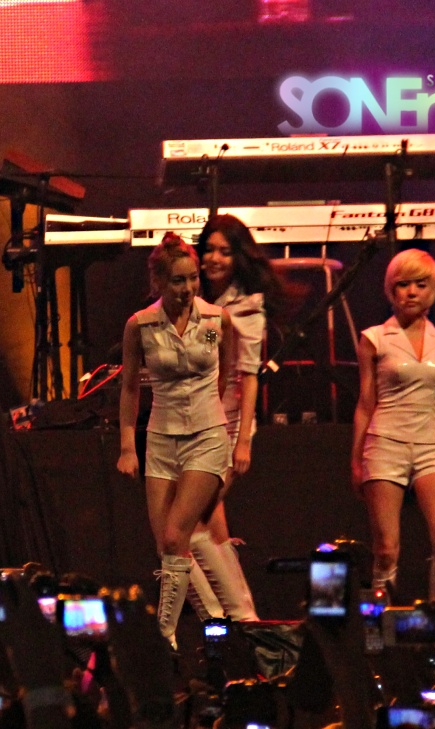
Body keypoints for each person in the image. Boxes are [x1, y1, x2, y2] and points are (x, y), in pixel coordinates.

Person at [117, 233, 239, 646]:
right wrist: (127, 447)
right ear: (158, 281)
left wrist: (217, 423)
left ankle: (163, 635)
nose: (187, 288)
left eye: (193, 278)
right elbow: (129, 388)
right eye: (178, 280)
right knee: (167, 547)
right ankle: (216, 621)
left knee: (175, 535)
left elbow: (225, 375)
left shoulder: (217, 320)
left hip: (206, 436)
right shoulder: (140, 325)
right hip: (161, 439)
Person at [351, 249, 435, 601]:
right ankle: (379, 623)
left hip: (433, 445)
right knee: (386, 549)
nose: (411, 292)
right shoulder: (375, 338)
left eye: (420, 284)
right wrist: (356, 460)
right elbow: (365, 403)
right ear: (391, 289)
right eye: (403, 284)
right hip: (386, 442)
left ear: (433, 289)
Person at [184, 215, 279, 622]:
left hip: (227, 427)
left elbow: (249, 375)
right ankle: (240, 620)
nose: (214, 258)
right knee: (210, 526)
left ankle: (226, 618)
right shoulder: (199, 301)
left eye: (224, 251)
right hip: (195, 423)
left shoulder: (247, 308)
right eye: (209, 249)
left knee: (184, 528)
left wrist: (242, 442)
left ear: (238, 257)